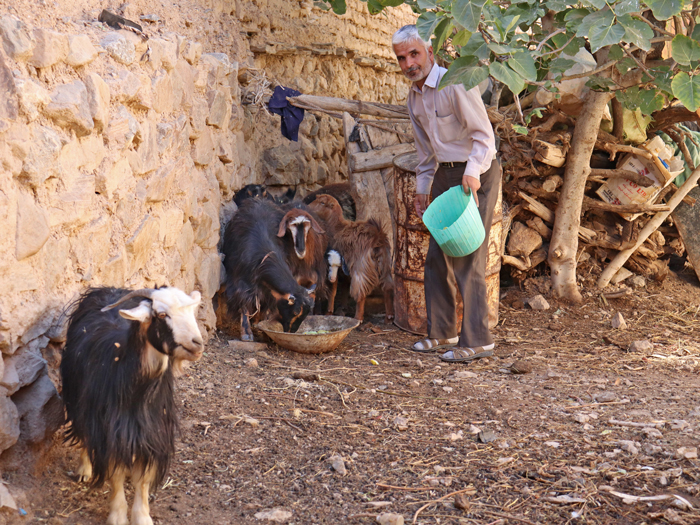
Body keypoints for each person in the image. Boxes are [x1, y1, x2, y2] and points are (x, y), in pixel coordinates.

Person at [392, 25, 501, 363]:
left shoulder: (454, 83)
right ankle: (442, 333)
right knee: (436, 257)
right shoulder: (414, 97)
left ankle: (479, 340)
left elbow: (484, 137)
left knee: (469, 256)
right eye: (402, 58)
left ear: (429, 52)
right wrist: (423, 189)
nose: (409, 63)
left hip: (476, 171)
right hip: (444, 173)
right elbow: (425, 152)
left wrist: (471, 173)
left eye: (414, 54)